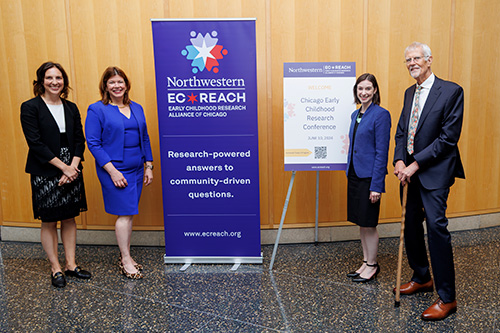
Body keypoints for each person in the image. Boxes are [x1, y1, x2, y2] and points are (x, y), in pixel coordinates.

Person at [393, 42, 465, 321]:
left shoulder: (451, 91)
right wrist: (399, 161)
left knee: (436, 228)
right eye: (407, 60)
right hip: (408, 173)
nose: (412, 63)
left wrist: (415, 164)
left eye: (416, 58)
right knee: (410, 224)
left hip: (433, 172)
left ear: (429, 59)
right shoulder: (409, 93)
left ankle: (447, 297)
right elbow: (402, 132)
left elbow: (448, 139)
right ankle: (422, 276)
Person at [20, 62, 92, 288]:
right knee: (49, 221)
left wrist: (74, 167)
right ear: (41, 81)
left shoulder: (71, 107)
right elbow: (36, 144)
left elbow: (80, 140)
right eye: (49, 77)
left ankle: (71, 264)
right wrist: (64, 168)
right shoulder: (30, 107)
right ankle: (55, 268)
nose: (54, 82)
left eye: (59, 77)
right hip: (46, 170)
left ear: (64, 81)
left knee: (70, 218)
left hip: (72, 168)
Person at [86, 66, 153, 280]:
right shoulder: (97, 110)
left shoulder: (137, 107)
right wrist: (113, 171)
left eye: (120, 81)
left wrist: (148, 165)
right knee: (124, 213)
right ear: (105, 86)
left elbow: (145, 138)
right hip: (114, 169)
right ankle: (125, 260)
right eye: (112, 82)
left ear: (126, 84)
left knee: (129, 212)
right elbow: (94, 144)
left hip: (136, 168)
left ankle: (127, 255)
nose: (117, 86)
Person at [345, 73, 391, 283]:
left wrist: (377, 186)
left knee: (369, 224)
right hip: (355, 174)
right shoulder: (356, 115)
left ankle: (372, 265)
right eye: (360, 89)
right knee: (361, 223)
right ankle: (365, 261)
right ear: (356, 91)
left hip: (369, 178)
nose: (364, 92)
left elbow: (382, 152)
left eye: (368, 89)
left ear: (375, 91)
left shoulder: (381, 115)